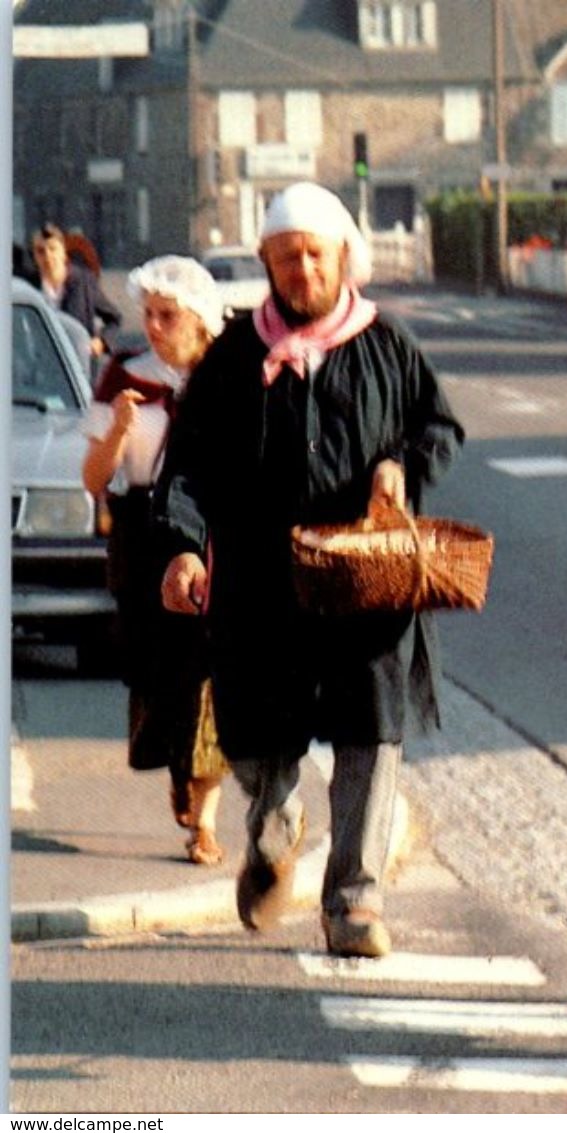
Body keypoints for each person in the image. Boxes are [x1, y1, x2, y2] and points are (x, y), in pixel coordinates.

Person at [152, 182, 465, 959]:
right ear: (265, 262)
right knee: (259, 738)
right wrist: (185, 545)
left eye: (313, 256)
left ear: (342, 258)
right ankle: (273, 823)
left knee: (371, 734)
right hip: (261, 589)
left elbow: (439, 424)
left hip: (365, 585)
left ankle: (354, 902)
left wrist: (400, 464)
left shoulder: (386, 345)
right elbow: (186, 463)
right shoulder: (230, 360)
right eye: (285, 258)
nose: (301, 271)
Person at [82, 256, 231, 866]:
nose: (154, 326)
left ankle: (207, 820)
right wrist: (118, 431)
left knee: (211, 672)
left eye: (167, 316)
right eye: (148, 314)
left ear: (198, 320)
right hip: (142, 537)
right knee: (158, 672)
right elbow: (94, 478)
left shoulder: (229, 379)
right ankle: (180, 768)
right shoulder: (123, 375)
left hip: (213, 535)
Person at [31, 223, 121, 356]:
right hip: (40, 363)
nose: (47, 256)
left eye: (52, 249)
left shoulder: (84, 283)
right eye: (40, 251)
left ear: (63, 252)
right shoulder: (29, 286)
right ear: (34, 256)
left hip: (77, 363)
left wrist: (101, 342)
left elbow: (114, 319)